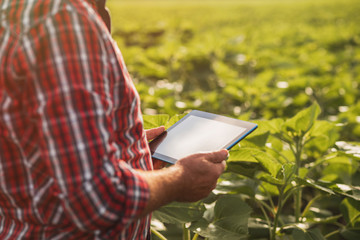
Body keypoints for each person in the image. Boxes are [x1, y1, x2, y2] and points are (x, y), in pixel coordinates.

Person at [0, 0, 227, 239]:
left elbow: (27, 140)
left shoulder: (20, 8)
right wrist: (180, 179)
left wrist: (128, 150)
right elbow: (96, 199)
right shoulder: (62, 20)